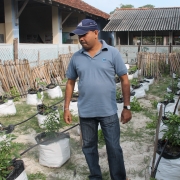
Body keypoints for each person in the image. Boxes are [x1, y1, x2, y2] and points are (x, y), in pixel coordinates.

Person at [63, 19, 132, 180]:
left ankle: (119, 177)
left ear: (95, 33)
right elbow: (70, 82)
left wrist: (127, 107)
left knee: (114, 148)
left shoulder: (112, 53)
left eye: (84, 34)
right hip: (86, 112)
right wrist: (66, 108)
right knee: (88, 147)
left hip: (108, 111)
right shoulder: (76, 57)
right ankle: (95, 176)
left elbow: (125, 79)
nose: (80, 38)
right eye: (78, 36)